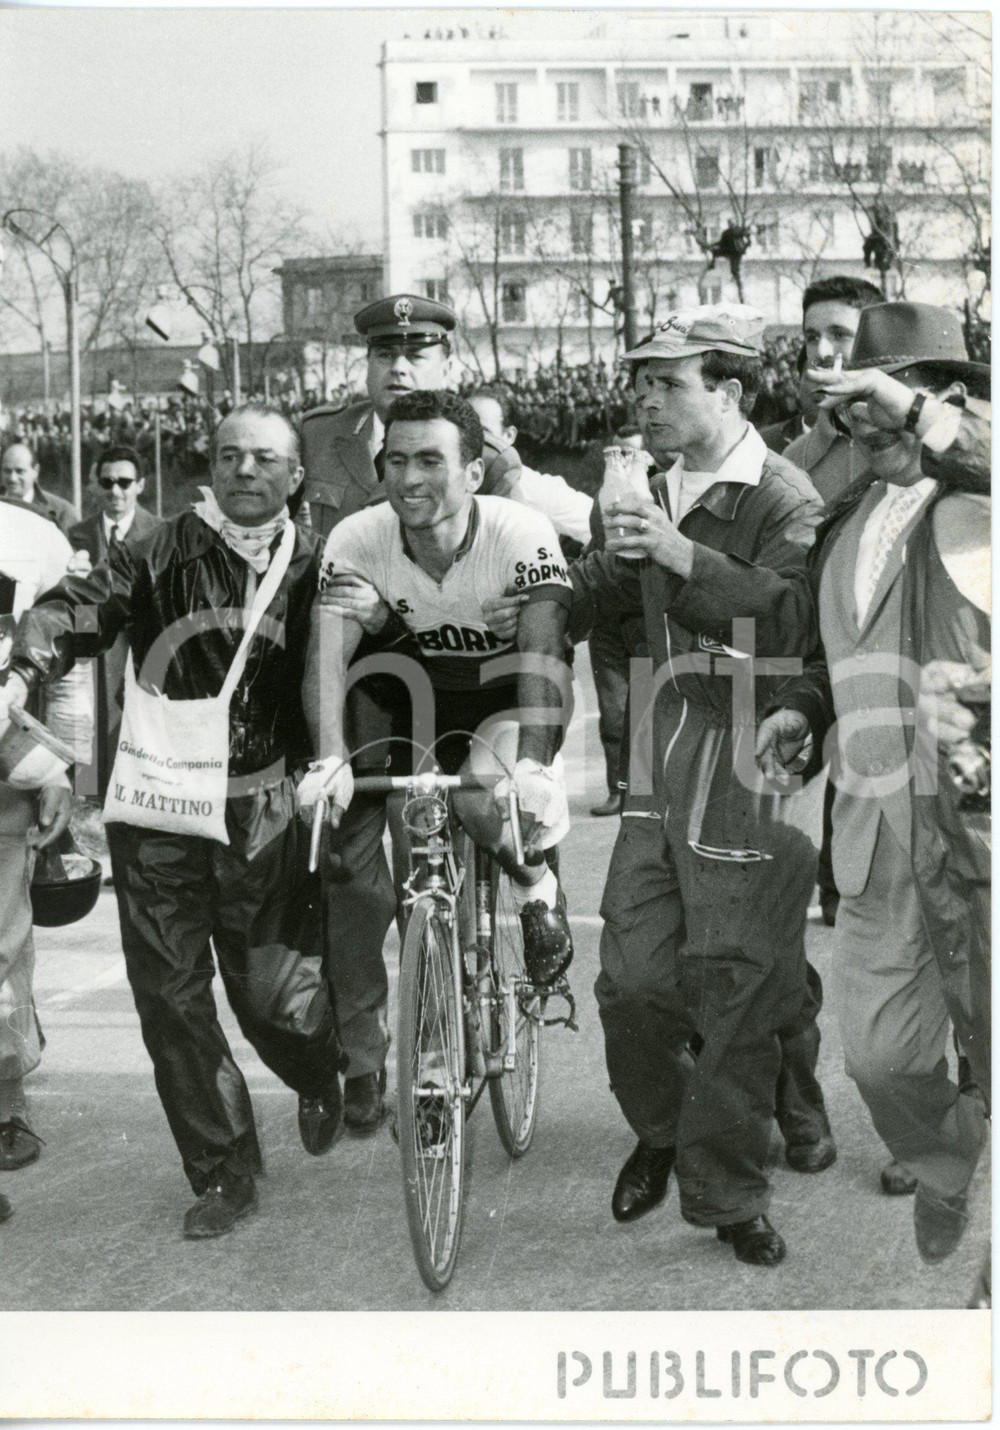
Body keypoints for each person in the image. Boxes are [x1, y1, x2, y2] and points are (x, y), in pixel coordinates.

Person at [10, 406, 344, 1240]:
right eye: (229, 455)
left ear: (295, 476)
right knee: (170, 994)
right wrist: (24, 663)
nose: (243, 471)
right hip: (160, 803)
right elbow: (77, 605)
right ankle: (223, 1169)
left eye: (264, 458)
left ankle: (317, 1069)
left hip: (267, 805)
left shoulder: (323, 562)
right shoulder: (159, 550)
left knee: (272, 998)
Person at [560, 305, 829, 1266]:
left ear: (731, 391)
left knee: (736, 985)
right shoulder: (648, 485)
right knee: (631, 979)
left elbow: (796, 621)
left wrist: (677, 550)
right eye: (640, 382)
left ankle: (728, 1195)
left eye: (667, 383)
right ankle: (667, 1132)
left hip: (751, 747)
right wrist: (538, 593)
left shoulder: (784, 497)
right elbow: (610, 591)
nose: (644, 399)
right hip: (661, 742)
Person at [756, 301, 990, 1268]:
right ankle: (947, 1162)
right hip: (876, 827)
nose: (870, 426)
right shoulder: (847, 516)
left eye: (889, 402)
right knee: (881, 1056)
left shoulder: (977, 492)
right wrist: (806, 710)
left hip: (979, 819)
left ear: (945, 398)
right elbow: (835, 649)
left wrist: (926, 417)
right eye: (856, 410)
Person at [298, 390, 574, 1135]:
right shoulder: (358, 536)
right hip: (415, 703)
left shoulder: (519, 530)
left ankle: (536, 882)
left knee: (485, 802)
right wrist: (328, 759)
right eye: (396, 460)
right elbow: (327, 663)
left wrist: (539, 770)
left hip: (507, 697)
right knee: (412, 834)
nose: (410, 478)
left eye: (431, 460)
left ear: (475, 471)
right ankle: (432, 1055)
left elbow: (546, 653)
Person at [0, 497, 92, 1177]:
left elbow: (67, 666)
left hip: (5, 765)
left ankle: (6, 1104)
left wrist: (61, 765)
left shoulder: (33, 539)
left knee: (1, 946)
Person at [301, 295, 519, 540]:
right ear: (368, 366)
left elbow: (505, 557)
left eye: (415, 356)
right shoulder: (318, 434)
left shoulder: (488, 459)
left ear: (446, 370)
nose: (398, 368)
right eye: (385, 355)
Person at [67, 446, 163, 800]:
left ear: (140, 485)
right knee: (86, 726)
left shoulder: (160, 532)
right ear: (96, 486)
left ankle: (132, 801)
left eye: (124, 482)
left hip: (137, 647)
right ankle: (87, 803)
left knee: (130, 730)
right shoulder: (76, 533)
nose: (115, 491)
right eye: (107, 482)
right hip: (88, 647)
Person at [783, 276, 883, 506]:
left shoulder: (910, 442)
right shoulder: (793, 458)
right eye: (812, 337)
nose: (821, 351)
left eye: (839, 335)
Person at [467, 387, 593, 546]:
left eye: (483, 432)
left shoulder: (533, 487)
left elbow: (598, 524)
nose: (470, 440)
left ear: (509, 436)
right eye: (464, 430)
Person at [0, 442, 79, 536]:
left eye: (20, 471)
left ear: (35, 471)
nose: (12, 478)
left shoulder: (62, 512)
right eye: (7, 471)